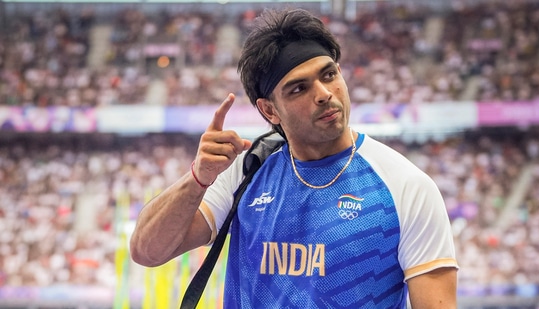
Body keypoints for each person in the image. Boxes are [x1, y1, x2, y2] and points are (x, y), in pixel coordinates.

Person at [130, 8, 459, 308]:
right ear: (269, 110)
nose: (324, 94)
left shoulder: (406, 186)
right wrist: (198, 178)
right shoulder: (247, 172)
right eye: (298, 89)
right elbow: (147, 251)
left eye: (328, 75)